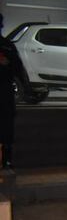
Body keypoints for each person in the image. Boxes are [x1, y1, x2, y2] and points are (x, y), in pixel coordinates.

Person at [0, 13, 24, 170]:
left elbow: (19, 69)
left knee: (6, 129)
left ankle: (6, 160)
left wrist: (7, 64)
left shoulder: (7, 45)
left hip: (4, 94)